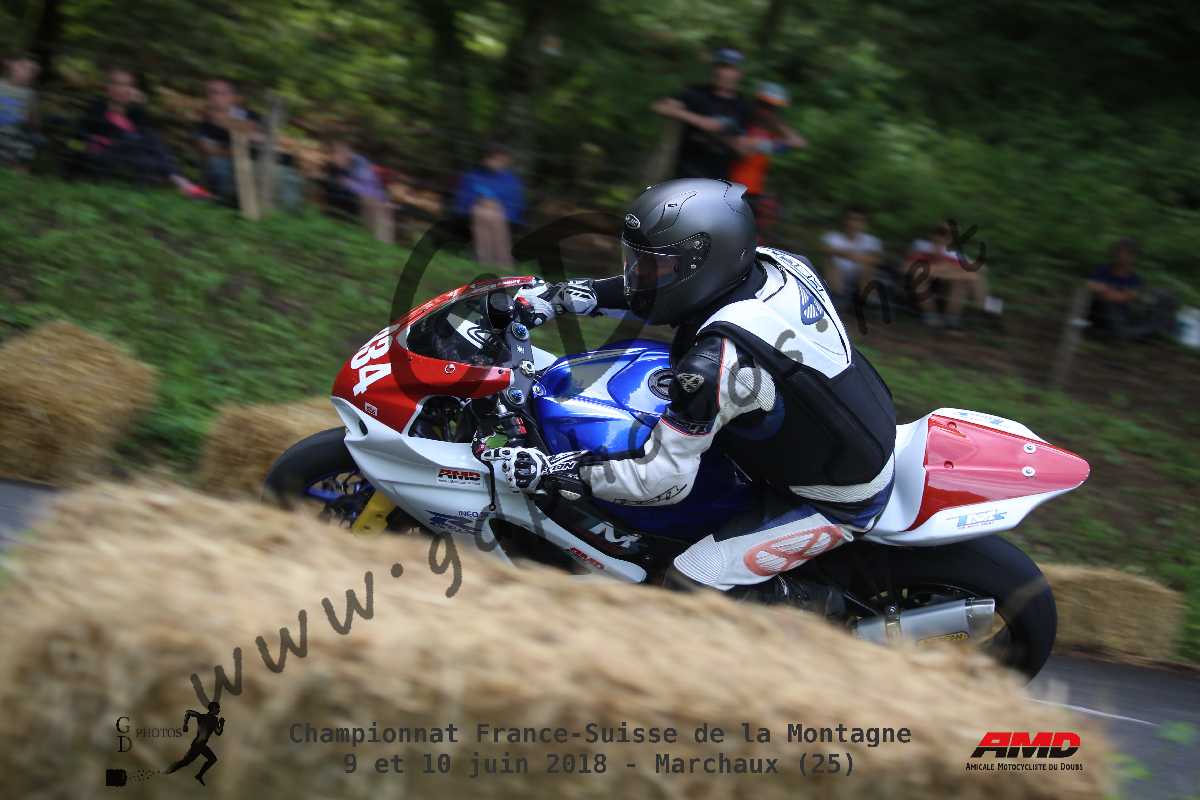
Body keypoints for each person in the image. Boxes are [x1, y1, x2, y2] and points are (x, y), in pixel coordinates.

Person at [484, 178, 896, 596]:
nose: (637, 276)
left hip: (834, 495)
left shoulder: (718, 363)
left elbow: (661, 481)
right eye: (637, 261)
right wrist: (562, 297)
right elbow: (655, 293)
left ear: (706, 265)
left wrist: (554, 470)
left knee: (688, 582)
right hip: (830, 433)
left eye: (656, 267)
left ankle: (803, 618)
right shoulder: (780, 265)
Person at [76, 67, 208, 197]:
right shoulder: (97, 107)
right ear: (108, 87)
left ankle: (181, 182)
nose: (121, 89)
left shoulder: (135, 112)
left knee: (149, 144)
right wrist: (99, 138)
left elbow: (146, 135)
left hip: (132, 156)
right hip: (106, 152)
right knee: (139, 139)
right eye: (117, 84)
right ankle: (181, 181)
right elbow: (84, 130)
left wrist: (140, 106)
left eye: (126, 85)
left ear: (131, 89)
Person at [652, 48, 752, 179]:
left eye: (730, 68)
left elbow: (743, 147)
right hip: (687, 175)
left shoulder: (743, 105)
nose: (723, 73)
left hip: (720, 181)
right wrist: (700, 121)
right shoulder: (695, 93)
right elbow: (660, 107)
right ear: (714, 69)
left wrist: (728, 138)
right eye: (720, 67)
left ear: (739, 73)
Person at [728, 82, 807, 238]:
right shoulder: (743, 125)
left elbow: (799, 142)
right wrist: (770, 144)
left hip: (754, 194)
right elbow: (741, 147)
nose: (768, 112)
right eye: (766, 107)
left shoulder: (770, 131)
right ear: (757, 105)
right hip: (732, 192)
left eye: (774, 109)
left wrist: (775, 123)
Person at [1087, 237, 1178, 341]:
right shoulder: (1102, 270)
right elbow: (1094, 288)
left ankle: (1152, 331)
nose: (1122, 256)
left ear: (1133, 257)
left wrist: (1120, 294)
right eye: (1119, 251)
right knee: (1108, 305)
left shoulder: (1135, 279)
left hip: (1123, 316)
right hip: (1102, 315)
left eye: (1127, 253)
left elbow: (1136, 298)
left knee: (1165, 295)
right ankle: (1129, 333)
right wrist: (1122, 295)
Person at [451, 142, 526, 267]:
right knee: (482, 211)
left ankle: (485, 259)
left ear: (506, 160)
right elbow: (461, 204)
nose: (495, 161)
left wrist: (496, 206)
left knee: (491, 213)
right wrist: (479, 202)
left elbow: (517, 208)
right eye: (492, 157)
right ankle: (502, 261)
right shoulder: (472, 177)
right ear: (484, 158)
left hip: (505, 218)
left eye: (499, 158)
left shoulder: (512, 181)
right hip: (472, 215)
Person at [907, 221, 991, 330]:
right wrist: (942, 271)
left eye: (948, 235)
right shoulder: (920, 246)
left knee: (964, 282)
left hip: (944, 285)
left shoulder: (953, 255)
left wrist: (947, 273)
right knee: (919, 278)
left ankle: (954, 319)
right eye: (940, 232)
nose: (942, 237)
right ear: (932, 234)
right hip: (922, 284)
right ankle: (932, 316)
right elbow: (908, 268)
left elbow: (978, 271)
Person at [194, 78, 261, 202]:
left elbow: (259, 136)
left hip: (256, 162)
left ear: (232, 96)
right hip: (226, 164)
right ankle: (225, 200)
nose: (217, 97)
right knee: (216, 163)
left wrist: (221, 121)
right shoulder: (204, 122)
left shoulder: (249, 115)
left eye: (223, 93)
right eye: (213, 92)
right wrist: (236, 150)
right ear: (207, 96)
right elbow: (207, 149)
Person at [323, 140, 394, 242]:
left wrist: (348, 183)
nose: (334, 160)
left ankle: (377, 243)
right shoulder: (337, 167)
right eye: (332, 156)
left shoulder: (360, 165)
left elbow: (370, 190)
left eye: (336, 156)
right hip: (353, 202)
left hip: (376, 203)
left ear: (345, 154)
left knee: (370, 204)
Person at [820, 206, 882, 310]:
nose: (854, 224)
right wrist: (851, 255)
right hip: (837, 273)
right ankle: (837, 297)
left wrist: (844, 254)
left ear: (864, 223)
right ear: (845, 221)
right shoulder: (832, 237)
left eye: (859, 220)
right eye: (852, 219)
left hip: (859, 274)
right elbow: (825, 249)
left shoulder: (871, 241)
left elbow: (876, 260)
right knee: (831, 263)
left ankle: (866, 301)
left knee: (868, 266)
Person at [165, 701, 225, 785]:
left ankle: (199, 775)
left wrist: (221, 725)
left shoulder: (211, 719)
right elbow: (188, 712)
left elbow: (218, 732)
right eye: (218, 708)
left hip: (201, 745)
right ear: (214, 708)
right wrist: (185, 724)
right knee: (185, 762)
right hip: (198, 745)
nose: (219, 710)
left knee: (212, 759)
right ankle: (167, 771)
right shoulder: (204, 717)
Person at [0, 52, 40, 169]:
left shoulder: (30, 95)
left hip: (14, 137)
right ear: (10, 65)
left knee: (26, 151)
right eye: (23, 67)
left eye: (32, 71)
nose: (26, 73)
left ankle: (16, 174)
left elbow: (34, 123)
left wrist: (30, 123)